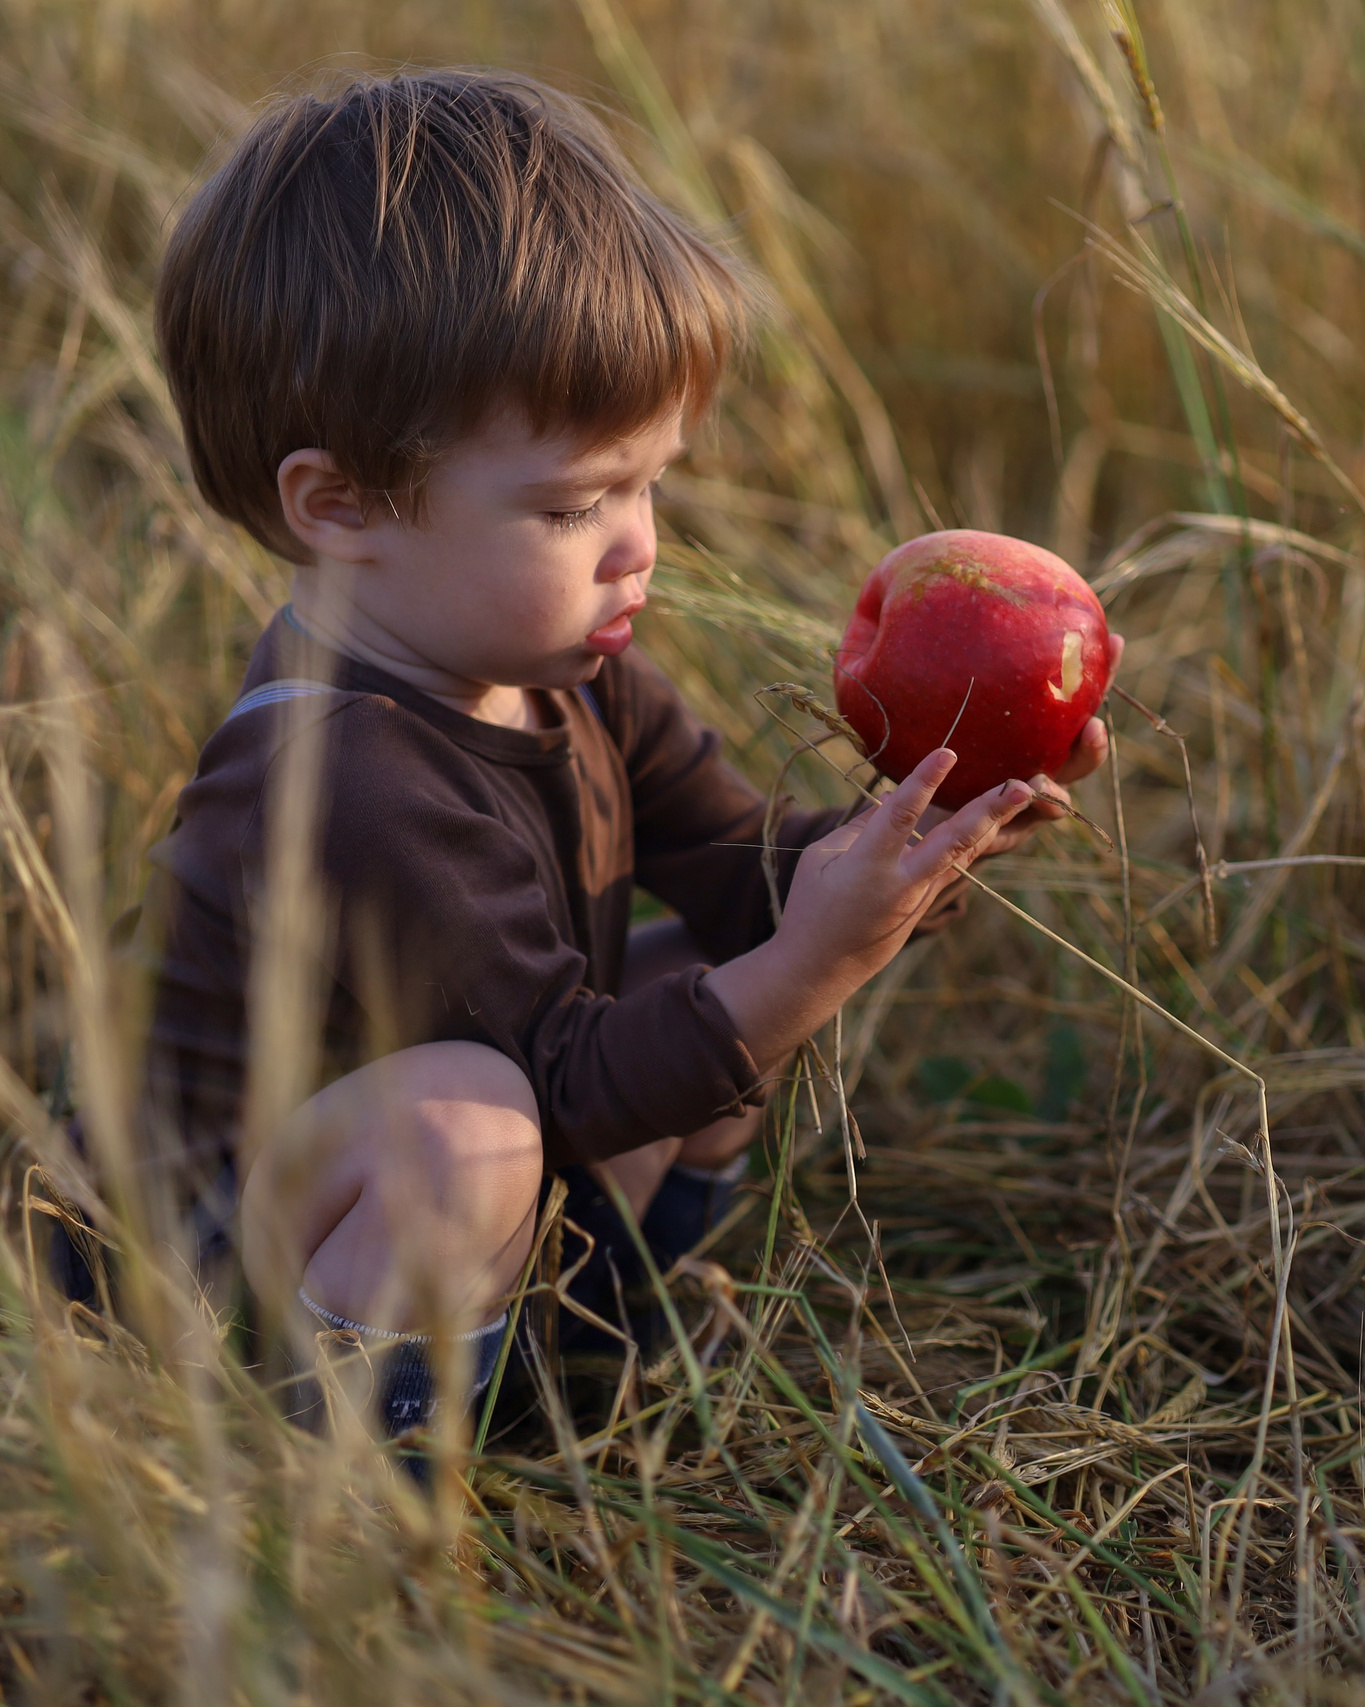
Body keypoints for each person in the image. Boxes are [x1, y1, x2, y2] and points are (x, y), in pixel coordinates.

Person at [128, 69, 1119, 1438]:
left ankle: (587, 1371)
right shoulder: (345, 780)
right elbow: (574, 1083)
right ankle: (364, 1494)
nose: (637, 541)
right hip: (184, 1282)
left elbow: (743, 880)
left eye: (648, 479)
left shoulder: (569, 681)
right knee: (464, 1122)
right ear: (339, 503)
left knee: (702, 988)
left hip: (429, 1200)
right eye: (573, 502)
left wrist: (920, 832)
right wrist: (815, 958)